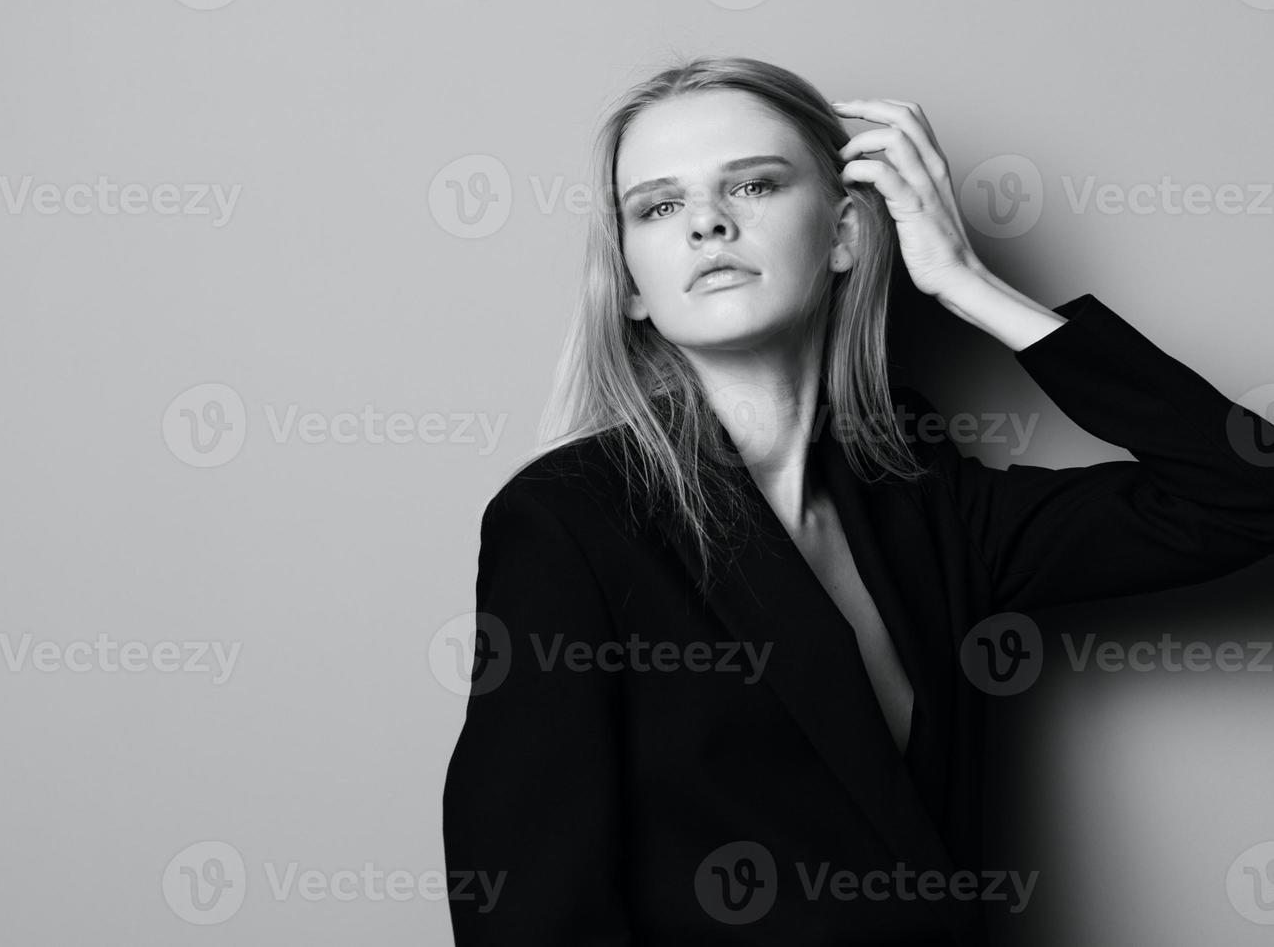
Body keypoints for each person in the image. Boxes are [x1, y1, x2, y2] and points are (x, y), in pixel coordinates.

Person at [441, 55, 1274, 945]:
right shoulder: (570, 519)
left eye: (753, 185)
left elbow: (1241, 493)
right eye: (658, 206)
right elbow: (531, 911)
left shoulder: (919, 493)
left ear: (845, 234)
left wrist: (970, 285)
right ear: (634, 288)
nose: (708, 224)